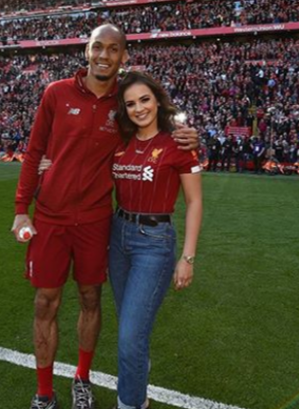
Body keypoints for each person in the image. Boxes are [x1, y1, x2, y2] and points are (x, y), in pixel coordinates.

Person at [11, 24, 198, 409]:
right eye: (98, 47)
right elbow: (33, 153)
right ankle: (44, 392)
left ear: (123, 56)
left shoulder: (125, 104)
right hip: (50, 217)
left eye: (114, 49)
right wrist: (20, 210)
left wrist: (191, 136)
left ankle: (82, 378)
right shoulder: (56, 93)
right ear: (87, 50)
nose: (104, 55)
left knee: (90, 298)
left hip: (98, 221)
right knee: (45, 302)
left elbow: (156, 129)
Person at [108, 71, 202, 409]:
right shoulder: (119, 142)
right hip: (117, 238)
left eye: (144, 99)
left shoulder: (178, 143)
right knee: (131, 331)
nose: (139, 108)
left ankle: (131, 404)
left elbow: (194, 202)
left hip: (154, 242)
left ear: (157, 101)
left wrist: (187, 258)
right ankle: (138, 392)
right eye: (130, 103)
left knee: (130, 336)